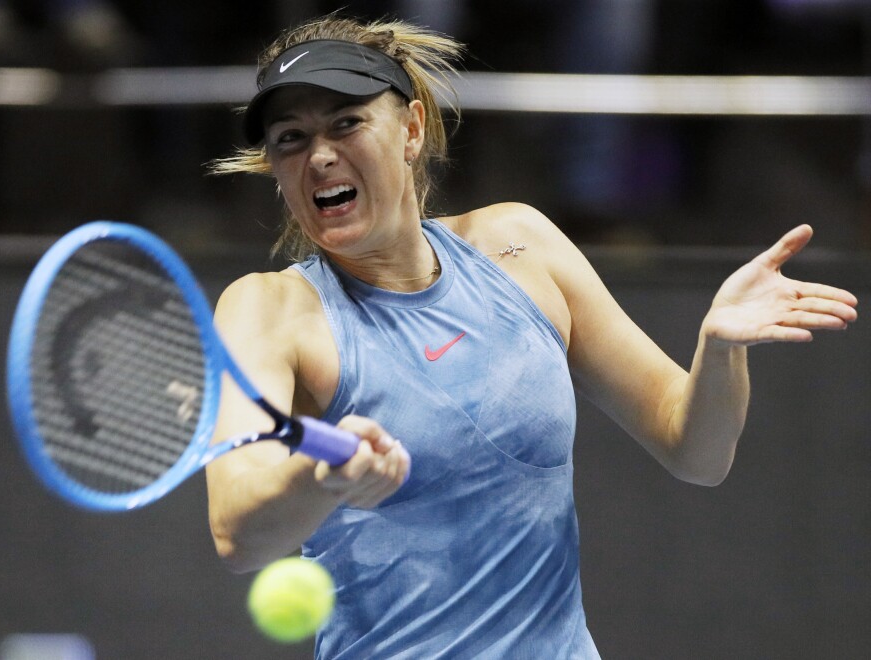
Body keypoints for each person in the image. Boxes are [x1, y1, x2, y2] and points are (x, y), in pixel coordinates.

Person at [205, 15, 858, 659]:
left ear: (410, 128)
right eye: (290, 139)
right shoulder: (267, 309)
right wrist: (325, 476)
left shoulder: (522, 244)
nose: (319, 156)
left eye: (346, 123)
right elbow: (238, 531)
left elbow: (696, 451)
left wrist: (720, 350)